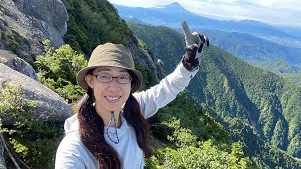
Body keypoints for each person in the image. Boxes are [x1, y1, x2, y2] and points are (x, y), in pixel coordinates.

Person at [55, 21, 209, 169]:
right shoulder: (74, 147)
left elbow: (169, 88)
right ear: (90, 81)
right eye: (104, 76)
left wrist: (189, 63)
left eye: (122, 77)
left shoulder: (132, 111)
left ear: (130, 83)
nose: (114, 87)